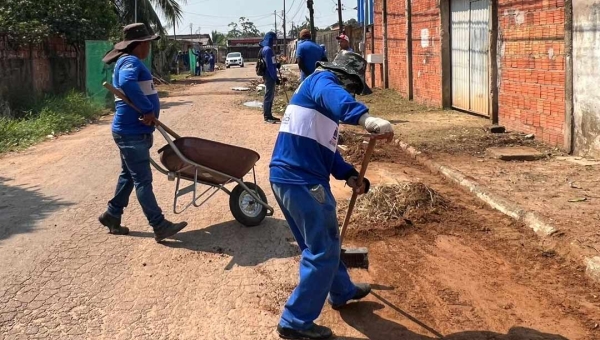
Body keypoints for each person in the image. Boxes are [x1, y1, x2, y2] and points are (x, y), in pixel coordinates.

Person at [269, 51, 394, 339]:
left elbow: (325, 148)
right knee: (323, 249)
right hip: (302, 181)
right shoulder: (321, 80)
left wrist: (348, 174)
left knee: (321, 244)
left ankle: (341, 290)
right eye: (352, 86)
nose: (351, 91)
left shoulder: (317, 106)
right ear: (344, 77)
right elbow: (334, 95)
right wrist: (364, 118)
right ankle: (294, 321)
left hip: (289, 178)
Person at [100, 23, 188, 242]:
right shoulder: (130, 61)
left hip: (131, 131)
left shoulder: (128, 61)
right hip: (131, 133)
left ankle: (112, 214)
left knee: (129, 175)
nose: (149, 46)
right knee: (142, 179)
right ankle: (159, 225)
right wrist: (148, 109)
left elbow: (133, 86)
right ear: (138, 44)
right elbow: (129, 83)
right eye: (148, 42)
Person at [259, 31, 282, 124]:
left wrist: (276, 65)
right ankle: (267, 116)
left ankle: (269, 115)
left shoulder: (266, 49)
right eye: (273, 40)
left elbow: (271, 63)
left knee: (270, 95)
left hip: (269, 74)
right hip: (269, 75)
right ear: (270, 39)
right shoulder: (267, 50)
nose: (274, 42)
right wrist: (275, 77)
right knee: (268, 95)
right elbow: (269, 66)